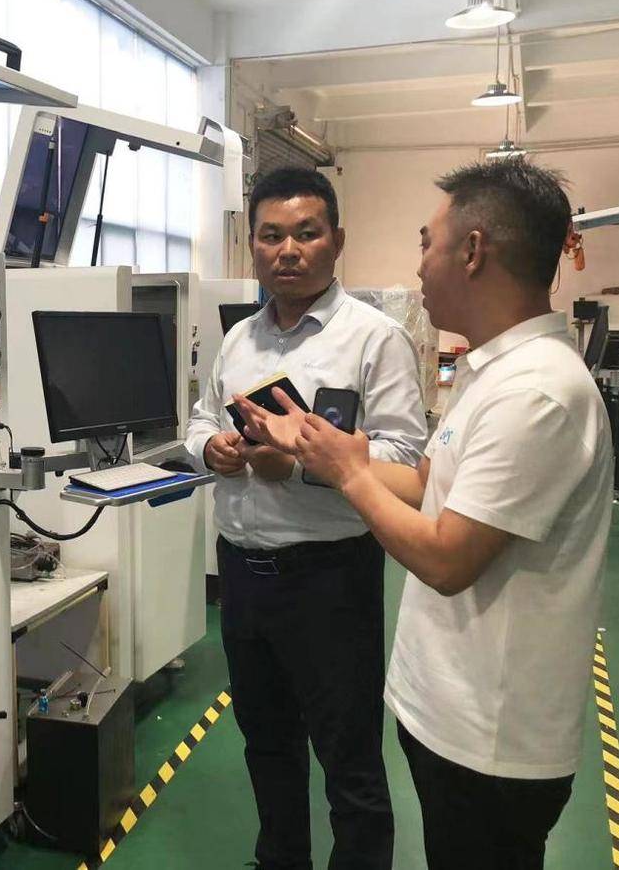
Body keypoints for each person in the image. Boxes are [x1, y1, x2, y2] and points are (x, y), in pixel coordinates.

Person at [236, 157, 613, 870]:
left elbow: (446, 557)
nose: (418, 266)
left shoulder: (535, 394)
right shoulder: (491, 374)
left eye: (425, 243)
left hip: (491, 736)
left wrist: (349, 472)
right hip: (451, 715)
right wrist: (317, 450)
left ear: (472, 251)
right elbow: (421, 485)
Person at [185, 167, 427, 870]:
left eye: (306, 233)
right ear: (253, 247)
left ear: (336, 241)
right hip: (243, 576)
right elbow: (200, 418)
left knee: (349, 757)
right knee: (266, 744)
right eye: (271, 236)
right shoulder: (239, 340)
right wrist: (214, 447)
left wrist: (294, 465)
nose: (287, 250)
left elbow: (404, 459)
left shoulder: (374, 340)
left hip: (330, 579)